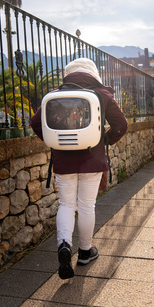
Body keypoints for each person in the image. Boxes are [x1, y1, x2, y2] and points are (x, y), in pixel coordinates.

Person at [30, 58, 128, 279]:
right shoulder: (102, 95)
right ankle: (85, 251)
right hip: (92, 160)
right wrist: (104, 140)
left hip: (64, 161)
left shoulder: (55, 95)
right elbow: (121, 125)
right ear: (92, 73)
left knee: (66, 204)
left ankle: (64, 245)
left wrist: (54, 141)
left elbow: (35, 123)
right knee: (86, 206)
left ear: (68, 74)